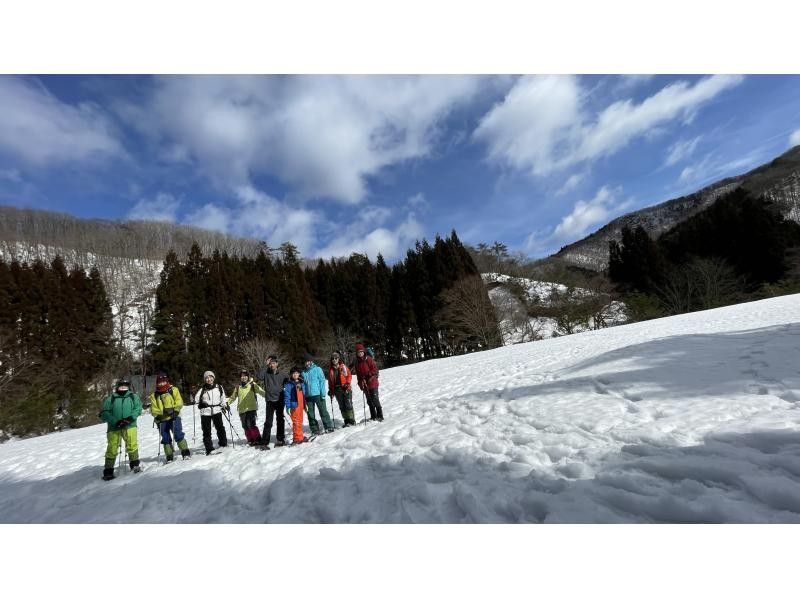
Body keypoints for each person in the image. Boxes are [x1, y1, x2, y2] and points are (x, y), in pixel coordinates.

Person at [99, 378, 143, 480]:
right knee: (112, 448)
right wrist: (115, 421)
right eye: (121, 385)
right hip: (114, 427)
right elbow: (104, 412)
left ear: (128, 387)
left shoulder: (133, 396)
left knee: (132, 445)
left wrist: (130, 418)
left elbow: (138, 409)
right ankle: (108, 470)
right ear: (117, 386)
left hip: (130, 426)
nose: (123, 387)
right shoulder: (111, 398)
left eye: (125, 386)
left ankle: (135, 465)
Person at [148, 372, 191, 462]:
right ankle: (169, 455)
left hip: (175, 416)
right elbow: (153, 409)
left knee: (178, 434)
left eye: (164, 382)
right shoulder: (154, 395)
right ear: (157, 383)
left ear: (167, 381)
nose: (162, 384)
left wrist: (175, 410)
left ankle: (185, 452)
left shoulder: (173, 390)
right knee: (165, 437)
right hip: (162, 419)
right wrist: (160, 414)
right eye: (160, 382)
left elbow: (179, 401)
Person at [194, 371, 228, 455]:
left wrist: (224, 405)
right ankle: (209, 449)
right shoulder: (202, 389)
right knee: (206, 431)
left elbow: (223, 397)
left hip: (217, 410)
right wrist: (201, 404)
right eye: (207, 378)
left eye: (210, 377)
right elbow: (196, 400)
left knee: (220, 427)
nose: (209, 379)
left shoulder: (219, 387)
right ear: (205, 380)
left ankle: (223, 443)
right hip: (205, 412)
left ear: (213, 378)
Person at [229, 369, 266, 446]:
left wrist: (268, 396)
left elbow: (260, 391)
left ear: (248, 377)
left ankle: (257, 438)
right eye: (242, 376)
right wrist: (226, 403)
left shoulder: (252, 385)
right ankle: (250, 439)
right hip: (242, 410)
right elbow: (232, 398)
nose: (243, 377)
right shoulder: (238, 388)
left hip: (251, 408)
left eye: (245, 376)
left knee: (251, 424)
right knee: (245, 426)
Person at [302, 354, 333, 434]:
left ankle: (328, 426)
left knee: (323, 411)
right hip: (308, 397)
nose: (307, 363)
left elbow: (322, 381)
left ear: (311, 361)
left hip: (318, 394)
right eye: (305, 362)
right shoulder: (303, 373)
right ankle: (315, 429)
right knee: (310, 414)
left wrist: (323, 393)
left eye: (308, 361)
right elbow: (303, 385)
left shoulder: (317, 369)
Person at [352, 343, 383, 421]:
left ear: (364, 352)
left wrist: (369, 374)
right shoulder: (356, 363)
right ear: (356, 353)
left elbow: (375, 369)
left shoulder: (368, 359)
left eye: (361, 351)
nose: (360, 353)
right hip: (365, 384)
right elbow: (358, 375)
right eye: (358, 352)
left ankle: (380, 415)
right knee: (369, 401)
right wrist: (360, 384)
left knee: (375, 399)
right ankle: (373, 416)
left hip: (372, 382)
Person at [260, 355, 286, 447]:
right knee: (268, 422)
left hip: (279, 400)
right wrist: (265, 365)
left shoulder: (282, 374)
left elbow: (289, 381)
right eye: (270, 364)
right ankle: (264, 442)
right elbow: (259, 376)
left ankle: (280, 439)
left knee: (280, 420)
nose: (272, 365)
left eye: (273, 363)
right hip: (270, 401)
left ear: (277, 364)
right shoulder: (266, 373)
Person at [328, 352, 356, 427]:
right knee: (342, 406)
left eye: (336, 358)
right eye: (333, 359)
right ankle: (346, 421)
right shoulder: (331, 370)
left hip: (345, 388)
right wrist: (331, 390)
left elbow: (349, 375)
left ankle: (352, 421)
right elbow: (330, 382)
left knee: (348, 404)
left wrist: (347, 383)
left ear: (338, 359)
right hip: (337, 390)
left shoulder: (343, 367)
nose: (334, 360)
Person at [283, 366, 308, 444]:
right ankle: (297, 438)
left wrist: (305, 404)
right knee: (296, 422)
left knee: (300, 421)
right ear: (291, 375)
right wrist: (288, 407)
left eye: (297, 373)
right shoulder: (289, 384)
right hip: (294, 405)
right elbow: (287, 396)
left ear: (299, 374)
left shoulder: (301, 382)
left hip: (301, 405)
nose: (295, 375)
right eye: (293, 373)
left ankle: (300, 436)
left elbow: (303, 394)